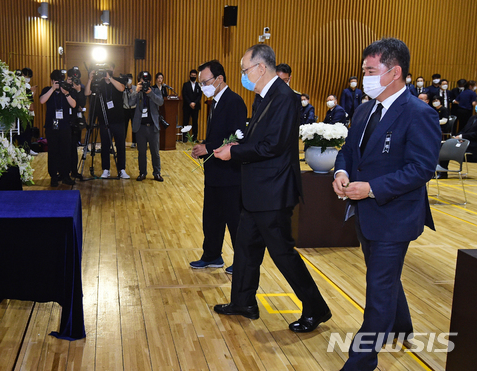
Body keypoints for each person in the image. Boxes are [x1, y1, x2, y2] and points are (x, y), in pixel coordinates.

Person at [332, 37, 441, 371]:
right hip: (367, 213)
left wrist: (372, 188)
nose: (362, 76)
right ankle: (402, 326)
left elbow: (421, 169)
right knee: (385, 277)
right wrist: (341, 170)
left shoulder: (419, 114)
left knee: (378, 287)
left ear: (394, 72)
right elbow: (350, 150)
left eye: (369, 70)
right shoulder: (365, 109)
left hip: (395, 216)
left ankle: (360, 362)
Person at [213, 44, 331, 333]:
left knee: (283, 255)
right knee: (245, 248)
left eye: (245, 70)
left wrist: (235, 152)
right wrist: (237, 146)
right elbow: (259, 139)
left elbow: (273, 145)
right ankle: (243, 302)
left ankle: (316, 308)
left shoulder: (285, 98)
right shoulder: (264, 98)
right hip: (257, 190)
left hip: (273, 192)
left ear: (261, 68)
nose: (243, 75)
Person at [189, 60, 247, 273]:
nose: (203, 86)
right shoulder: (214, 102)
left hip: (230, 174)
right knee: (211, 217)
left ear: (220, 79)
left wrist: (208, 147)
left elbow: (237, 138)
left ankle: (242, 261)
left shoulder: (234, 102)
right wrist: (203, 147)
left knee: (234, 219)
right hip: (214, 172)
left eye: (205, 81)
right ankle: (212, 255)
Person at [84, 63, 130, 179]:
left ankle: (122, 169)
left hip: (119, 120)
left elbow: (121, 88)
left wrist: (109, 78)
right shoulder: (99, 83)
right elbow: (87, 93)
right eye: (105, 70)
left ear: (113, 69)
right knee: (105, 146)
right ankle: (106, 169)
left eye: (109, 69)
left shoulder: (118, 80)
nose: (107, 72)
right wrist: (90, 79)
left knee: (120, 146)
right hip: (104, 120)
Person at [40, 69, 77, 187]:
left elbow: (74, 104)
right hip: (51, 127)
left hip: (65, 126)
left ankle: (65, 175)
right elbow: (42, 101)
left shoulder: (66, 90)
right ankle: (54, 176)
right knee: (53, 152)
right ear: (51, 81)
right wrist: (52, 89)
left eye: (60, 81)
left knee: (66, 152)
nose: (58, 83)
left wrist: (66, 93)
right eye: (56, 81)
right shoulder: (47, 90)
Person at [129, 71, 164, 181]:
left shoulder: (154, 90)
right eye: (142, 81)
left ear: (150, 81)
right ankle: (142, 173)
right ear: (139, 81)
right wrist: (136, 92)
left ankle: (157, 173)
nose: (144, 83)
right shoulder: (137, 91)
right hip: (140, 127)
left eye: (147, 80)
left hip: (153, 126)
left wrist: (150, 93)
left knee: (155, 152)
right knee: (141, 152)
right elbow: (130, 103)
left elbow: (160, 102)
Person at [66, 67, 87, 180]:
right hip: (64, 120)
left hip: (75, 121)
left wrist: (78, 90)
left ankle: (74, 171)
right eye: (71, 78)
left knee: (73, 148)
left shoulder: (80, 87)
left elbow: (82, 104)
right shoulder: (65, 86)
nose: (74, 80)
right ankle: (64, 171)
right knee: (64, 148)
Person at [181, 69, 202, 142]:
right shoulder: (186, 85)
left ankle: (195, 137)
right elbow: (184, 95)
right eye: (192, 75)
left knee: (195, 122)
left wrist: (194, 103)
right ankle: (185, 137)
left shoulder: (199, 85)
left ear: (196, 76)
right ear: (189, 76)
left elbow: (200, 95)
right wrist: (190, 103)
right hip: (187, 106)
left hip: (196, 106)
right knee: (185, 122)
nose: (193, 77)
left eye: (194, 76)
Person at [122, 74, 137, 148]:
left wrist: (131, 90)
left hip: (133, 109)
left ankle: (134, 142)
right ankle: (123, 141)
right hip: (125, 109)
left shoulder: (135, 88)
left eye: (130, 79)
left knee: (134, 126)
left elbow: (136, 97)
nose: (129, 80)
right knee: (124, 126)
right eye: (127, 79)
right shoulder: (123, 88)